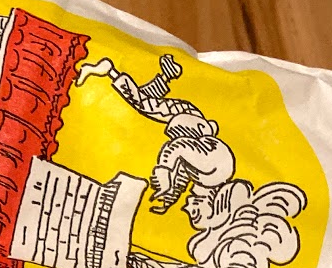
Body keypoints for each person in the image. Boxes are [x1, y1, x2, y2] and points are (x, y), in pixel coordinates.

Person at [75, 51, 236, 214]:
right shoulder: (212, 169)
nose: (190, 201)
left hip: (190, 124)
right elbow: (176, 147)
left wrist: (167, 201)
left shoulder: (210, 177)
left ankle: (167, 75)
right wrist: (164, 171)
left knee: (145, 99)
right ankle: (109, 69)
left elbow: (182, 172)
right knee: (143, 103)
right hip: (186, 117)